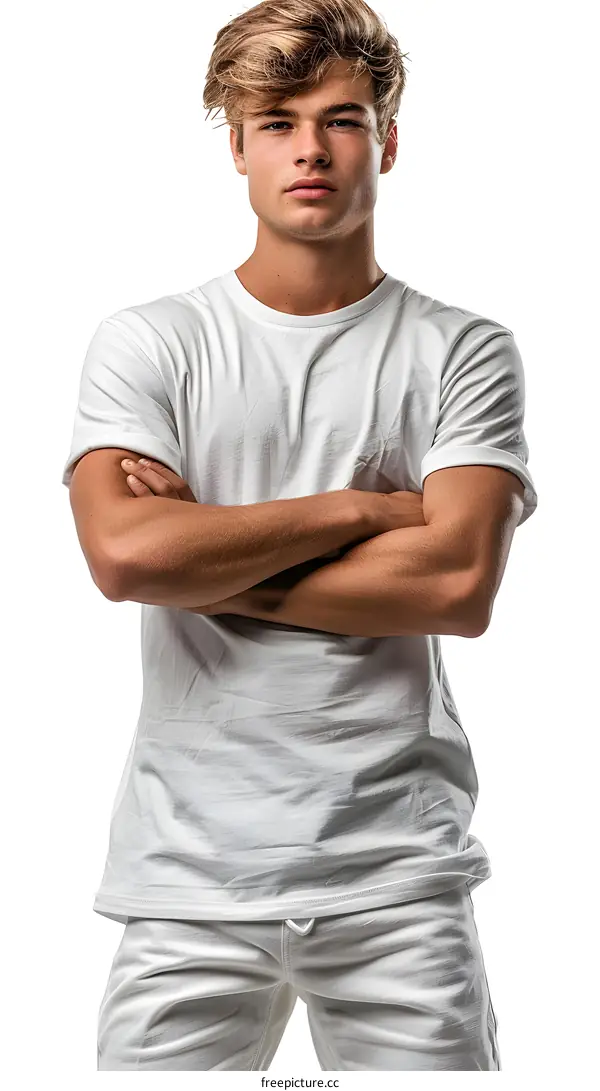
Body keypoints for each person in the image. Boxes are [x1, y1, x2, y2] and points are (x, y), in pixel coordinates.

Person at [62, 0, 537, 1072]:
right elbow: (126, 557)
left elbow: (457, 581)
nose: (310, 149)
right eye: (275, 121)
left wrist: (203, 555)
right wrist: (364, 509)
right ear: (235, 144)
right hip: (187, 876)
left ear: (390, 139)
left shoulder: (462, 349)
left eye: (344, 118)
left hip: (399, 871)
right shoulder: (152, 343)